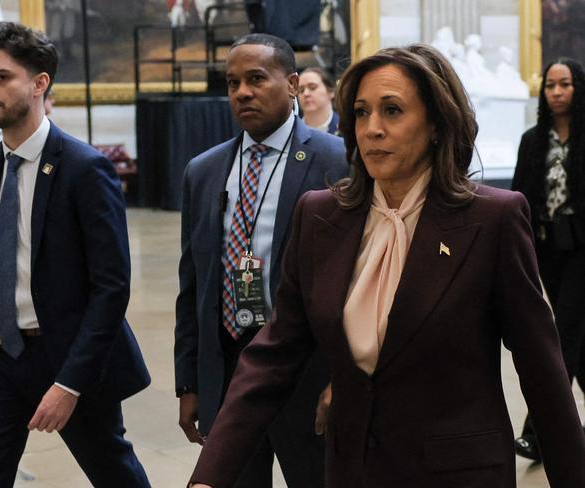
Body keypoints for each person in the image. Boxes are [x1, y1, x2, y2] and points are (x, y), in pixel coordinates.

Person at [188, 44, 585, 488]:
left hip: (456, 473)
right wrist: (209, 476)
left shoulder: (491, 219)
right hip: (353, 469)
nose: (371, 129)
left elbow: (541, 371)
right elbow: (272, 357)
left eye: (392, 111)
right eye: (360, 112)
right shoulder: (320, 217)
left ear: (436, 123)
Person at [0, 21, 151, 487]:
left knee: (113, 472)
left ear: (40, 82)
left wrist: (70, 384)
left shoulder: (84, 169)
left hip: (68, 356)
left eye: (1, 77)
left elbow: (111, 287)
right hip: (1, 355)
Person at [174, 33, 347, 487]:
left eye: (256, 79)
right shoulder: (204, 170)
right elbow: (193, 282)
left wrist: (343, 378)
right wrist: (189, 382)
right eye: (232, 83)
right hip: (230, 370)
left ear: (291, 84)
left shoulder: (338, 161)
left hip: (305, 369)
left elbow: (356, 278)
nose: (242, 92)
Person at [511, 57, 585, 462]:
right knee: (576, 341)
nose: (557, 92)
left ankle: (538, 433)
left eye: (566, 84)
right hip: (548, 250)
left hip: (582, 251)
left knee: (562, 335)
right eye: (551, 86)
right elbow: (522, 196)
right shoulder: (533, 139)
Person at [298, 67, 339, 134]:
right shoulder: (291, 132)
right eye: (301, 90)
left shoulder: (346, 127)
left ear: (331, 92)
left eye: (312, 87)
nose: (306, 93)